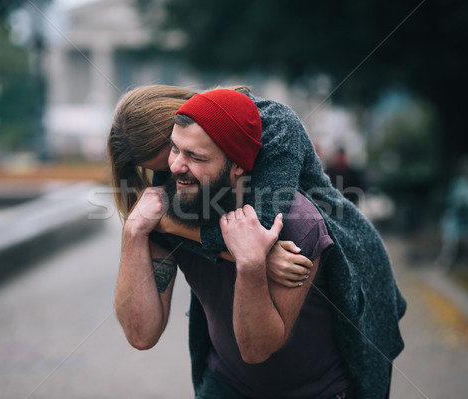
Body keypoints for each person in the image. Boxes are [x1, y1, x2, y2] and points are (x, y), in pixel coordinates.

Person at [108, 86, 406, 398]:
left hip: (346, 244)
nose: (173, 173)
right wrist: (135, 230)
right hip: (225, 382)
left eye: (192, 155)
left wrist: (255, 254)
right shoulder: (174, 197)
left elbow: (262, 229)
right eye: (169, 159)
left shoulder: (274, 128)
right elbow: (142, 335)